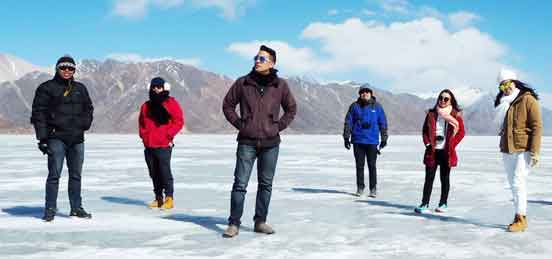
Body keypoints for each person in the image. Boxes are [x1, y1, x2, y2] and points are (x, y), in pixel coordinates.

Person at [221, 45, 297, 238]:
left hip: (271, 143)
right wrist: (240, 124)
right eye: (256, 57)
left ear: (272, 63)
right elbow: (227, 105)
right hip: (247, 141)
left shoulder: (280, 85)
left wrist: (277, 127)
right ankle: (234, 223)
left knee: (266, 184)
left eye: (262, 59)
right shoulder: (243, 83)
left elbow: (291, 109)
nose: (257, 61)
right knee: (240, 183)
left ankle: (260, 221)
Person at [30, 55, 94, 222]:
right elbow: (39, 114)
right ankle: (50, 209)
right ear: (57, 69)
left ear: (74, 70)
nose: (67, 71)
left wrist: (84, 124)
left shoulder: (80, 88)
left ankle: (76, 208)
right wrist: (42, 138)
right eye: (63, 68)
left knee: (76, 175)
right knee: (54, 174)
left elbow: (89, 108)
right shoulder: (47, 88)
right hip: (56, 137)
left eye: (70, 68)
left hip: (77, 139)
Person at [494, 69, 542, 232]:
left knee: (518, 182)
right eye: (502, 86)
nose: (505, 88)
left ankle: (521, 217)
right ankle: (518, 215)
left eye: (507, 83)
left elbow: (537, 126)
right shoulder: (503, 103)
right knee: (513, 185)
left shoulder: (528, 99)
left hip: (524, 148)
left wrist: (535, 151)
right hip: (507, 149)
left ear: (515, 82)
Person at [414, 89, 465, 213]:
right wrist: (427, 143)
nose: (443, 100)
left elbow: (461, 132)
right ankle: (424, 204)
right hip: (432, 150)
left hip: (446, 151)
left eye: (446, 99)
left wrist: (452, 144)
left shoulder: (455, 115)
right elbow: (425, 131)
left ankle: (443, 204)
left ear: (450, 100)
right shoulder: (431, 114)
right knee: (429, 178)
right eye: (441, 98)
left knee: (444, 178)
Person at [139, 77, 184, 210]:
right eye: (153, 87)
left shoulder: (171, 103)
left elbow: (179, 121)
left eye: (158, 87)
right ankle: (158, 198)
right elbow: (141, 123)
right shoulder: (146, 106)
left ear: (164, 88)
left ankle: (169, 198)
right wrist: (144, 136)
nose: (156, 89)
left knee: (165, 171)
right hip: (149, 145)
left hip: (164, 144)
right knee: (154, 172)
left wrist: (168, 135)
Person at [343, 84, 388, 198]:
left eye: (367, 92)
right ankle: (360, 187)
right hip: (358, 140)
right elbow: (348, 122)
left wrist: (384, 138)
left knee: (372, 166)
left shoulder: (377, 107)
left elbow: (383, 123)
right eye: (362, 92)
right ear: (360, 94)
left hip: (372, 141)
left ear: (371, 93)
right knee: (359, 166)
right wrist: (346, 137)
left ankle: (373, 188)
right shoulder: (354, 106)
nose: (365, 94)